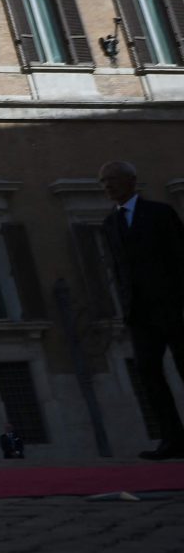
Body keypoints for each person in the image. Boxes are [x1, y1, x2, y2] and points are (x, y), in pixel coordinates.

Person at [100, 159, 184, 459]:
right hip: (139, 312)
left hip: (172, 306)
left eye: (112, 179)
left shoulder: (160, 214)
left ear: (131, 181)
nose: (107, 186)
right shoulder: (110, 224)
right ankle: (172, 439)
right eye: (103, 182)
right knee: (149, 373)